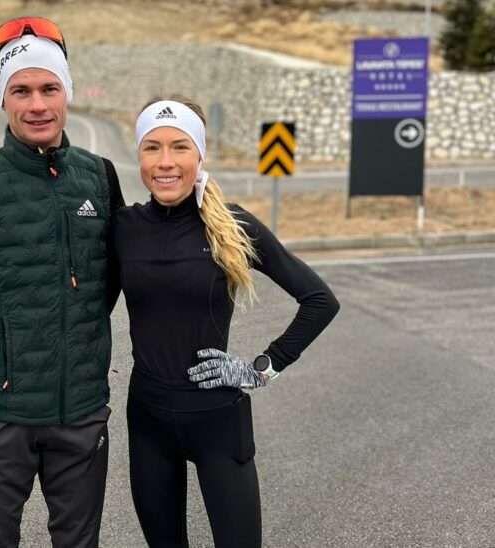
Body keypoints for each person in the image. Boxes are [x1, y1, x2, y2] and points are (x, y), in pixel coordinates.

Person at [0, 17, 124, 548]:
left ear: (67, 92)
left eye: (49, 88)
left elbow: (111, 282)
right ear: (3, 98)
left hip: (82, 413)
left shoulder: (101, 176)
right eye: (21, 90)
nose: (37, 104)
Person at [111, 96, 340, 548]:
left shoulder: (231, 224)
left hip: (217, 420)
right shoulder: (123, 227)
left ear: (199, 155)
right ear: (139, 156)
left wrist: (261, 369)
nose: (165, 162)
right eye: (152, 147)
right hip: (148, 418)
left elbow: (319, 301)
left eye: (180, 147)